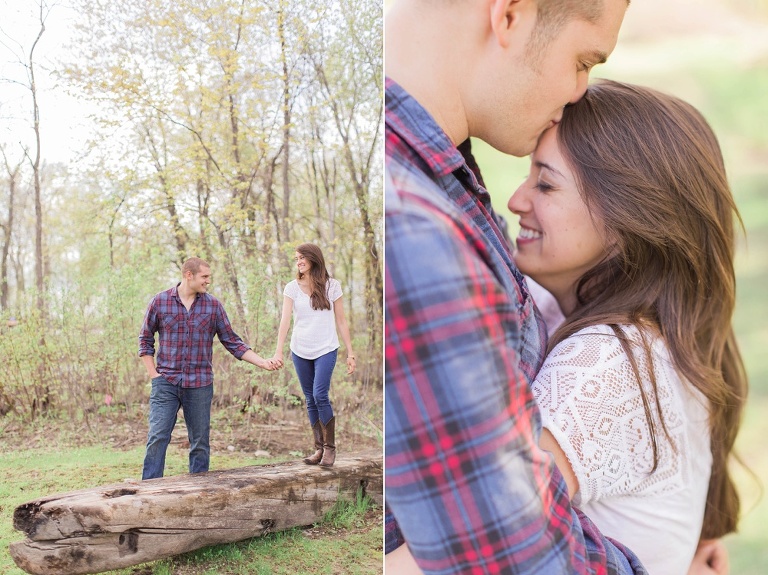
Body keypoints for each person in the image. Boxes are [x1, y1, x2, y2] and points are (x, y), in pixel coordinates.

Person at [391, 80, 746, 574]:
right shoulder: (634, 326)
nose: (515, 200)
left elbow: (475, 543)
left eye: (546, 184)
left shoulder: (611, 360)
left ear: (627, 223)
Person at [384, 0, 643, 572]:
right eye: (583, 59)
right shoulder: (418, 228)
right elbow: (512, 556)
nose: (580, 92)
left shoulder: (443, 175)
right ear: (510, 16)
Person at [138, 257, 277, 480]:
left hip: (200, 384)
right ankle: (149, 492)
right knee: (157, 437)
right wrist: (154, 375)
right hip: (166, 381)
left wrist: (261, 361)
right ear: (189, 275)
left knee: (200, 442)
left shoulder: (213, 306)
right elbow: (145, 339)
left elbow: (232, 341)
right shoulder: (160, 301)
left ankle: (200, 493)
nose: (208, 281)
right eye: (204, 277)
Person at [271, 243, 355, 467]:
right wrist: (279, 350)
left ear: (313, 259)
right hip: (300, 349)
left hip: (326, 348)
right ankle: (318, 448)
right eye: (296, 258)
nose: (298, 261)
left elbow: (341, 321)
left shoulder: (332, 286)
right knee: (309, 399)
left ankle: (330, 448)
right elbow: (285, 321)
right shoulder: (291, 288)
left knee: (320, 394)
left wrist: (351, 352)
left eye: (301, 257)